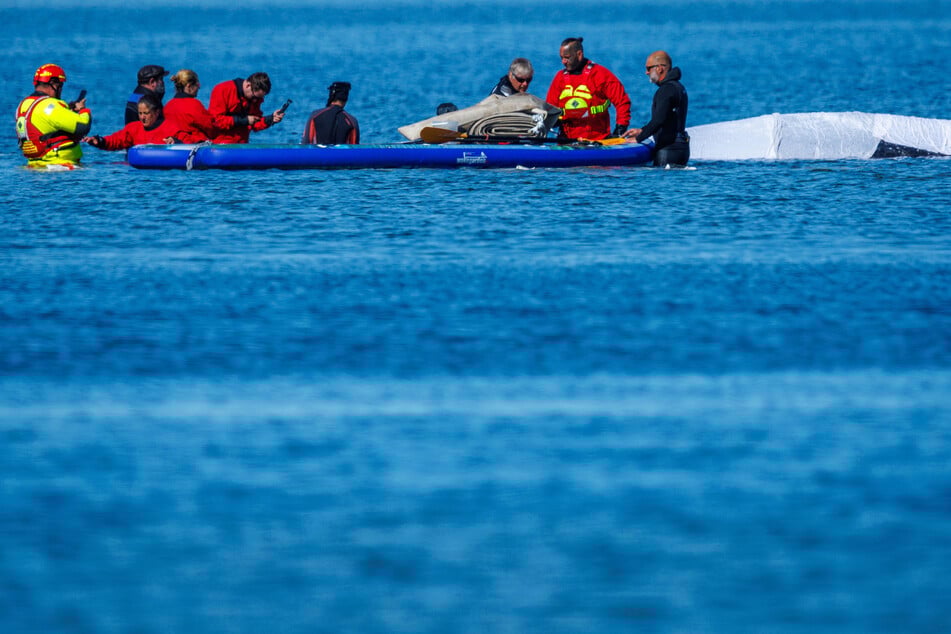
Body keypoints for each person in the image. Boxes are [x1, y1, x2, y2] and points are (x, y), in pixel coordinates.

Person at [545, 37, 631, 141]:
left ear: (579, 54)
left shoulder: (601, 74)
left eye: (567, 57)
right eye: (561, 58)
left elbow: (622, 102)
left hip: (598, 140)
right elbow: (550, 108)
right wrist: (551, 122)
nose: (563, 62)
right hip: (567, 141)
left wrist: (619, 130)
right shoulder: (559, 78)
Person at [15, 63, 92, 169]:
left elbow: (45, 123)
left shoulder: (23, 104)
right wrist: (83, 110)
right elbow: (83, 127)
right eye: (60, 86)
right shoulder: (51, 105)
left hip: (34, 164)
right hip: (58, 165)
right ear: (53, 84)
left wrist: (68, 111)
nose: (61, 90)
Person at [624, 50, 690, 166]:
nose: (646, 73)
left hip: (668, 149)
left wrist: (639, 138)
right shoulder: (678, 87)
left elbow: (659, 120)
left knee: (662, 181)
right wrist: (642, 131)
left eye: (649, 68)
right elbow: (666, 119)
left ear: (659, 68)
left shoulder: (666, 90)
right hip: (682, 148)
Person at [84, 94, 184, 150]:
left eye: (146, 113)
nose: (142, 117)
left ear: (157, 112)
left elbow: (191, 142)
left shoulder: (171, 128)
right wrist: (99, 141)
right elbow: (117, 140)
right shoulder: (133, 128)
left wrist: (176, 142)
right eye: (140, 113)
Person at [208, 72, 285, 144]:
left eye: (259, 98)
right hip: (220, 144)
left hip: (242, 145)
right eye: (254, 97)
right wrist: (243, 120)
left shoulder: (255, 98)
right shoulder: (223, 90)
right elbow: (215, 121)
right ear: (248, 85)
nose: (256, 100)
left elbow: (255, 123)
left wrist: (271, 119)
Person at [164, 69, 221, 142]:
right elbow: (211, 129)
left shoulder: (168, 106)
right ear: (189, 86)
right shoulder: (194, 105)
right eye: (197, 84)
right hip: (194, 146)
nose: (199, 87)